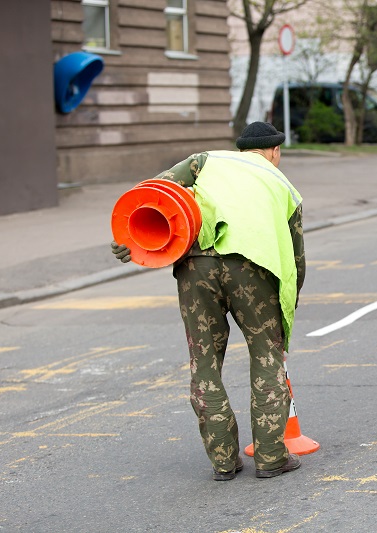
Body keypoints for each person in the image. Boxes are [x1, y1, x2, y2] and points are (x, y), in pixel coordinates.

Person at [111, 122, 306, 481]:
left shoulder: (204, 161)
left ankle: (223, 462)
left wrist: (131, 238)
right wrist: (288, 300)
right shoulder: (284, 186)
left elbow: (150, 193)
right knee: (266, 355)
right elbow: (296, 259)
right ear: (275, 152)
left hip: (196, 268)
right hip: (254, 270)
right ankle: (271, 457)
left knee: (204, 362)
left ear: (240, 149)